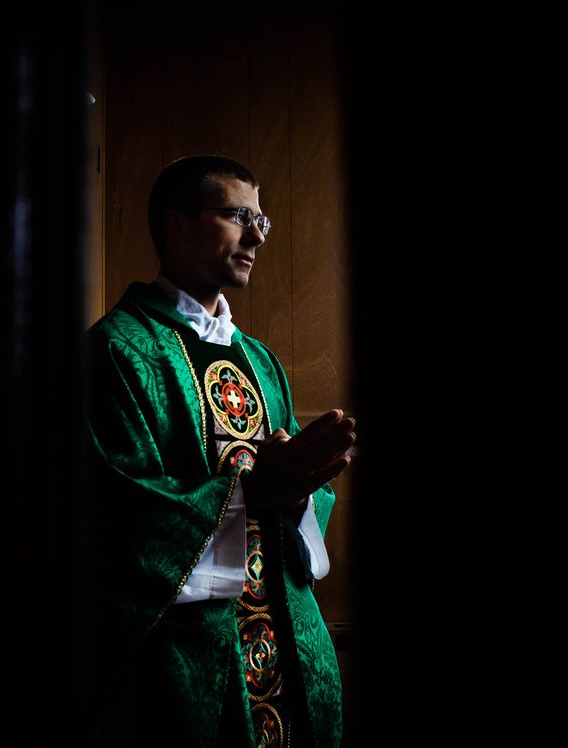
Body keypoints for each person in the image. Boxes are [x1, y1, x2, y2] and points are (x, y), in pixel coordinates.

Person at [84, 155, 356, 747]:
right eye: (238, 215)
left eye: (263, 220)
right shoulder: (117, 351)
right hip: (188, 656)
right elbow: (115, 510)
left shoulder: (260, 360)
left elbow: (293, 506)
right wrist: (252, 491)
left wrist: (302, 487)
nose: (257, 234)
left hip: (291, 638)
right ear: (177, 223)